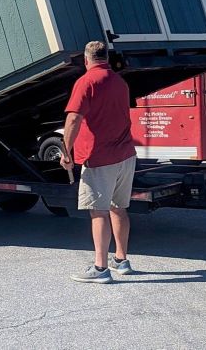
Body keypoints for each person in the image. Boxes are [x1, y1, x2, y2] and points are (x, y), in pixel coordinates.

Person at [60, 40, 137, 284]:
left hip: (99, 158)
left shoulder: (86, 82)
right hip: (125, 155)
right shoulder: (120, 82)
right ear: (106, 58)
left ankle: (100, 267)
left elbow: (73, 119)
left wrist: (66, 151)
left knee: (99, 212)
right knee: (119, 208)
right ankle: (121, 260)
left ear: (86, 60)